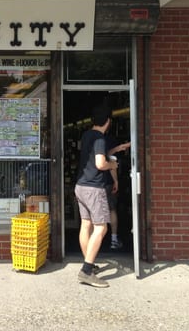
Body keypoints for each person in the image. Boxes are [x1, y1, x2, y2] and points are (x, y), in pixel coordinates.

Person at [74, 104, 118, 288]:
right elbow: (100, 163)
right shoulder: (100, 138)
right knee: (101, 228)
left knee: (86, 225)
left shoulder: (86, 135)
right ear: (107, 121)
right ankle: (86, 271)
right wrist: (112, 165)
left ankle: (89, 264)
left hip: (80, 185)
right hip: (94, 188)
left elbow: (92, 159)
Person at [105, 136, 131, 250]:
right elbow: (112, 162)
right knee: (112, 209)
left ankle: (93, 241)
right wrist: (116, 181)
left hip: (95, 183)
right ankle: (114, 239)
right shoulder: (110, 141)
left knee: (93, 213)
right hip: (108, 182)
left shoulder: (91, 140)